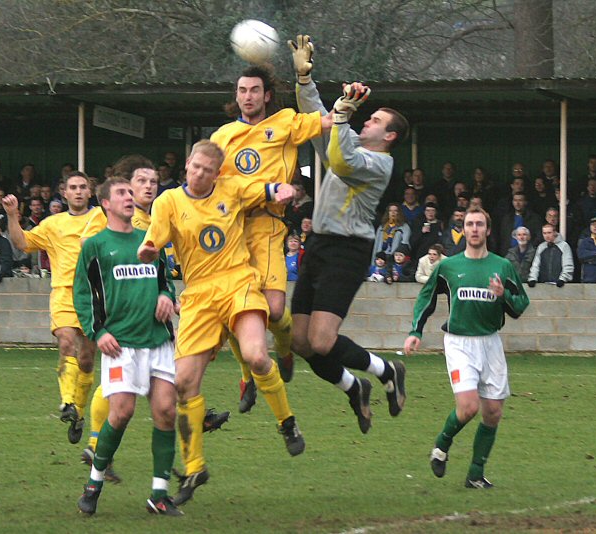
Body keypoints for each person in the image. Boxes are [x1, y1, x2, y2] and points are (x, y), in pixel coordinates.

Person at [137, 140, 304, 506]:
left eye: (207, 170)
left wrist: (285, 188)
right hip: (197, 295)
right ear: (186, 165)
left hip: (238, 282)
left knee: (257, 356)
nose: (199, 174)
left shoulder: (231, 188)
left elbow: (265, 189)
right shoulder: (167, 202)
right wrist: (148, 251)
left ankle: (287, 422)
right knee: (183, 383)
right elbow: (153, 241)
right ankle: (195, 467)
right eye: (195, 167)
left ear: (217, 173)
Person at [288, 35, 408, 434]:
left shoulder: (378, 164)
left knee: (322, 342)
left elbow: (339, 158)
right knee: (300, 342)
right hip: (319, 244)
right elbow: (320, 120)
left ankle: (386, 369)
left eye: (375, 121)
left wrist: (341, 115)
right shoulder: (351, 138)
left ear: (389, 136)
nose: (366, 120)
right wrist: (305, 81)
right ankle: (355, 386)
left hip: (347, 251)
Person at [209, 62, 327, 409]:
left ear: (267, 95)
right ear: (236, 95)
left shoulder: (285, 122)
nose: (248, 96)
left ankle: (286, 349)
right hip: (233, 229)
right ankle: (248, 376)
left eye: (254, 90)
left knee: (275, 311)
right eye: (242, 90)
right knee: (234, 310)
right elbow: (211, 181)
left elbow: (325, 121)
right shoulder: (222, 137)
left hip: (269, 226)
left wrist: (343, 102)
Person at [73, 177, 182, 517]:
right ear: (105, 203)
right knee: (121, 413)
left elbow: (166, 282)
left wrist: (166, 296)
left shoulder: (150, 241)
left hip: (158, 340)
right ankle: (94, 483)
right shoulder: (95, 246)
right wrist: (97, 331)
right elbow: (82, 295)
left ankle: (159, 495)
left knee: (166, 412)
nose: (129, 197)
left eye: (129, 193)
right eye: (121, 193)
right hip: (120, 345)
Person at [404, 207, 530, 489]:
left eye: (479, 224)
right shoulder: (449, 266)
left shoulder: (503, 266)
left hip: (490, 342)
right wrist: (416, 331)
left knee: (493, 412)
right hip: (459, 343)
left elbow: (521, 305)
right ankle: (441, 445)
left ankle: (475, 474)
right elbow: (426, 298)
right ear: (464, 229)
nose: (474, 229)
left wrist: (504, 295)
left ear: (488, 230)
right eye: (469, 224)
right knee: (469, 407)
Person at [3, 172, 107, 444]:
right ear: (64, 192)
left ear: (90, 191)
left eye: (83, 187)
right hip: (64, 292)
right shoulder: (52, 224)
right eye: (73, 187)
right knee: (65, 342)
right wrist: (13, 215)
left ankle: (79, 413)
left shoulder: (102, 218)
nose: (78, 191)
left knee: (86, 359)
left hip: (95, 295)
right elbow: (22, 242)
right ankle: (67, 402)